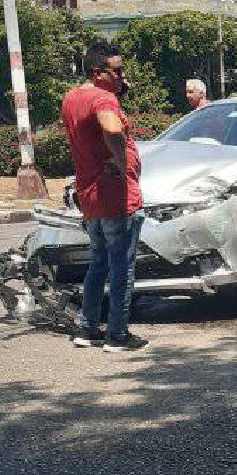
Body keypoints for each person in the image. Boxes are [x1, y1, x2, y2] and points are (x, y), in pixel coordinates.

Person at [63, 42, 149, 353]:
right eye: (118, 71)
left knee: (97, 263)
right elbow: (111, 129)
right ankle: (118, 334)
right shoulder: (102, 98)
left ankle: (87, 328)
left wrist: (118, 94)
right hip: (115, 195)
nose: (122, 76)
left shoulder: (73, 98)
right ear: (99, 73)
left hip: (91, 196)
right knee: (121, 267)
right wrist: (122, 161)